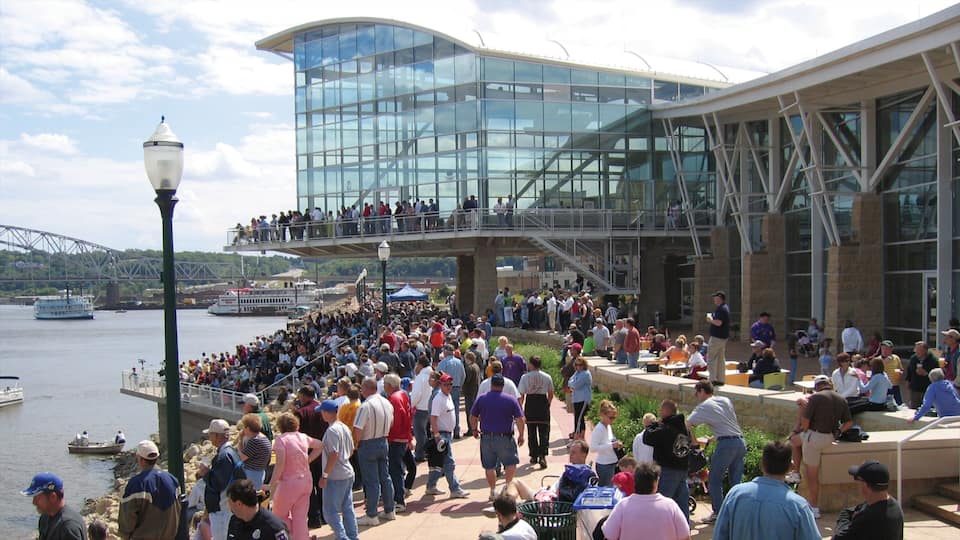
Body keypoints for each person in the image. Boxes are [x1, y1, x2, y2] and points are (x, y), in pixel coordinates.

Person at [713, 441, 819, 540]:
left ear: (762, 464)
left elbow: (719, 535)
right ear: (790, 467)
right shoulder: (798, 506)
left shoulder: (735, 495)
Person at [686, 381, 745, 523]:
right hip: (740, 442)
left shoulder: (704, 406)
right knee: (736, 482)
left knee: (714, 480)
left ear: (701, 391)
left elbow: (687, 424)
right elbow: (727, 422)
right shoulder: (725, 400)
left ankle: (718, 513)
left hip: (726, 445)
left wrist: (694, 442)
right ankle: (738, 513)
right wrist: (714, 437)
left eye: (696, 393)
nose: (696, 396)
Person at [800, 375, 854, 518]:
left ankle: (814, 507)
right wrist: (837, 433)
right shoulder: (841, 398)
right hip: (829, 437)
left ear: (817, 386)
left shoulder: (816, 398)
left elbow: (805, 421)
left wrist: (805, 432)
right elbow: (849, 423)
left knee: (812, 476)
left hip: (814, 437)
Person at [600, 461, 691, 540]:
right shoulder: (670, 506)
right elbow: (685, 536)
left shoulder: (623, 506)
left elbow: (609, 535)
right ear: (656, 482)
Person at [471, 373, 526, 501]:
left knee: (489, 466)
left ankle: (492, 490)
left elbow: (473, 416)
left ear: (491, 385)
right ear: (503, 385)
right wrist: (521, 434)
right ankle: (507, 488)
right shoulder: (511, 400)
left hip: (487, 437)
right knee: (510, 463)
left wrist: (474, 429)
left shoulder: (482, 398)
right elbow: (520, 419)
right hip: (505, 437)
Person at [268, 412, 322, 540]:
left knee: (279, 516)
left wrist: (271, 484)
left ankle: (289, 536)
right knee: (300, 517)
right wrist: (308, 459)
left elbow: (280, 465)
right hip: (305, 480)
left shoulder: (281, 440)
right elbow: (320, 445)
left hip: (288, 483)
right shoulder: (302, 437)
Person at [352, 376, 396, 526]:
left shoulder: (366, 406)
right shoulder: (387, 403)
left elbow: (358, 429)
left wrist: (356, 444)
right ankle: (389, 510)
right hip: (383, 441)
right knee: (385, 477)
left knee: (372, 481)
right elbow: (391, 423)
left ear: (365, 389)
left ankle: (372, 514)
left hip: (368, 443)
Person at [118, 440, 181, 539]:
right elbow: (178, 509)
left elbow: (127, 520)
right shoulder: (172, 480)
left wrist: (125, 535)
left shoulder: (137, 484)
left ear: (141, 459)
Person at [316, 399, 359, 540]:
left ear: (327, 413)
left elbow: (334, 454)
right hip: (347, 471)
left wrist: (325, 475)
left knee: (330, 512)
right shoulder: (344, 427)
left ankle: (342, 537)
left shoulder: (332, 430)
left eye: (322, 411)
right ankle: (352, 536)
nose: (321, 414)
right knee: (347, 508)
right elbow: (351, 449)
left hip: (336, 475)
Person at [642, 399, 691, 522]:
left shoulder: (666, 429)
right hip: (682, 470)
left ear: (665, 411)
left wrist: (653, 424)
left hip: (668, 470)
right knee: (682, 503)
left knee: (661, 503)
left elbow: (647, 437)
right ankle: (684, 530)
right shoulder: (683, 428)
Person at [834, 460, 904, 540]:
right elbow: (850, 511)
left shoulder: (867, 518)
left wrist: (845, 520)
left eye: (857, 480)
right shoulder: (895, 506)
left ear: (865, 485)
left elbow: (838, 538)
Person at [426, 373, 471, 498]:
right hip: (441, 435)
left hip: (447, 434)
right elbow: (433, 418)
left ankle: (431, 486)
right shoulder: (438, 399)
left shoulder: (448, 396)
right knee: (449, 463)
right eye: (446, 384)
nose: (449, 387)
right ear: (440, 385)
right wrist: (436, 436)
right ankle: (455, 488)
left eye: (450, 384)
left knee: (439, 463)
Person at [199, 419, 243, 540]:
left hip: (223, 509)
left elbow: (218, 484)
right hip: (230, 506)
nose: (209, 437)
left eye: (211, 434)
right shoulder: (232, 452)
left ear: (217, 436)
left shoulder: (223, 456)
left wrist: (205, 473)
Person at [293, 386, 328, 529]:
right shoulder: (322, 409)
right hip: (322, 451)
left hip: (306, 453)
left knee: (308, 489)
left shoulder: (301, 413)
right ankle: (325, 516)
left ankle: (314, 518)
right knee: (321, 486)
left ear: (303, 396)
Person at [21, 472, 87, 540]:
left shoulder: (69, 526)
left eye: (37, 498)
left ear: (53, 497)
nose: (34, 502)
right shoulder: (45, 518)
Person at [517, 355, 553, 469]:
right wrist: (548, 404)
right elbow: (551, 393)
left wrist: (520, 408)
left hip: (531, 402)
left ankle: (534, 455)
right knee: (544, 431)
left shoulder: (525, 377)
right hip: (542, 402)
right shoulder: (547, 377)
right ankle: (543, 455)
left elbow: (521, 394)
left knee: (531, 431)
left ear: (531, 364)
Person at [384, 374, 413, 512]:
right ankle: (402, 492)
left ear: (389, 385)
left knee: (395, 470)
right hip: (403, 437)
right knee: (402, 467)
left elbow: (396, 422)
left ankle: (399, 500)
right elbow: (408, 415)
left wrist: (389, 438)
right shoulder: (403, 394)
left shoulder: (394, 399)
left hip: (396, 439)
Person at [590, 399, 623, 487]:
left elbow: (608, 441)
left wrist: (616, 443)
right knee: (606, 491)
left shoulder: (608, 427)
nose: (612, 420)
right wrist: (612, 445)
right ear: (603, 415)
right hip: (605, 465)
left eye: (614, 417)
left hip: (611, 463)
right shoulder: (599, 429)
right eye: (611, 417)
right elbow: (593, 448)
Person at [437, 344, 466, 438]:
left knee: (445, 410)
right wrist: (459, 385)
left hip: (445, 388)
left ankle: (447, 430)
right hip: (456, 387)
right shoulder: (459, 362)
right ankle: (456, 430)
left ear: (445, 352)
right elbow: (463, 375)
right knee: (455, 409)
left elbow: (438, 375)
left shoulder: (443, 363)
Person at [238, 413, 272, 491]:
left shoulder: (255, 441)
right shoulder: (262, 437)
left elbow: (241, 457)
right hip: (259, 472)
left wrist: (240, 439)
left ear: (248, 428)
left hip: (252, 474)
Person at [905, 341, 939, 408]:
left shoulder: (933, 360)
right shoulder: (913, 358)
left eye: (919, 350)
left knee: (927, 409)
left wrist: (926, 373)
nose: (916, 352)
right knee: (914, 409)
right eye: (916, 349)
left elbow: (937, 376)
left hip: (927, 389)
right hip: (915, 389)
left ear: (925, 350)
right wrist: (908, 382)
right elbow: (909, 371)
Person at [707, 291, 731, 385]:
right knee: (720, 358)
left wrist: (710, 320)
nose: (714, 300)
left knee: (711, 358)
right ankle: (721, 379)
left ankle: (712, 379)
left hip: (717, 337)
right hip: (723, 337)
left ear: (720, 299)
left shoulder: (722, 309)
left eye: (716, 298)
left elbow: (719, 323)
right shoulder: (724, 308)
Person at [566, 356, 592, 441]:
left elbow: (576, 385)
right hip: (576, 398)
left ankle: (580, 437)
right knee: (577, 418)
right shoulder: (577, 373)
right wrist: (572, 383)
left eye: (580, 365)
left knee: (580, 418)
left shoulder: (585, 374)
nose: (578, 367)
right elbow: (570, 381)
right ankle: (578, 436)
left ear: (584, 365)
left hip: (583, 399)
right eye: (576, 365)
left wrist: (572, 383)